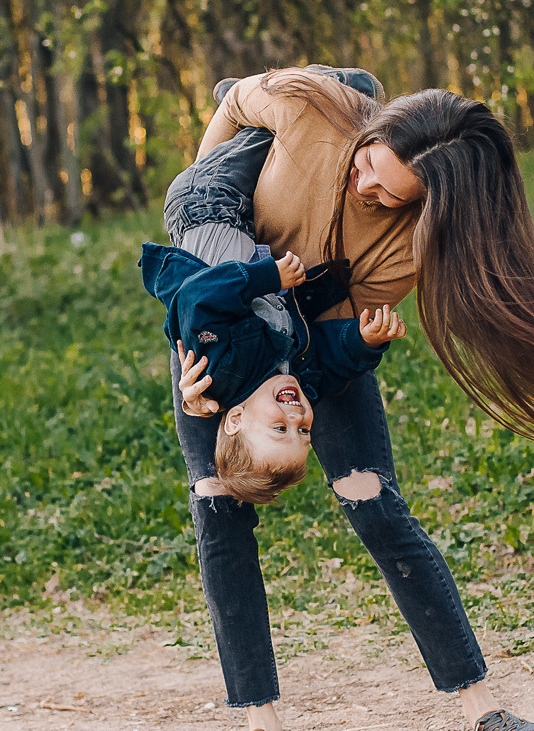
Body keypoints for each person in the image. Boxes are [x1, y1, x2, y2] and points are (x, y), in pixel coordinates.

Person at [173, 66, 534, 731]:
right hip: (215, 321)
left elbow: (334, 331)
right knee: (218, 504)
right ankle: (262, 728)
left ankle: (483, 710)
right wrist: (202, 246)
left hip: (317, 342)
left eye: (392, 195)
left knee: (374, 502)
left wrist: (354, 345)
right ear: (375, 130)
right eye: (371, 167)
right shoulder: (312, 107)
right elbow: (230, 109)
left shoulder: (410, 243)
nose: (368, 191)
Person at [142, 126, 408, 505]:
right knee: (297, 146)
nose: (297, 417)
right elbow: (328, 358)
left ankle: (250, 101)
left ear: (236, 419)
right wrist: (364, 341)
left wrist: (268, 277)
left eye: (280, 428)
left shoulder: (220, 369)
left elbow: (196, 299)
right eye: (303, 433)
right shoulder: (297, 378)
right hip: (253, 220)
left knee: (281, 132)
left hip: (209, 206)